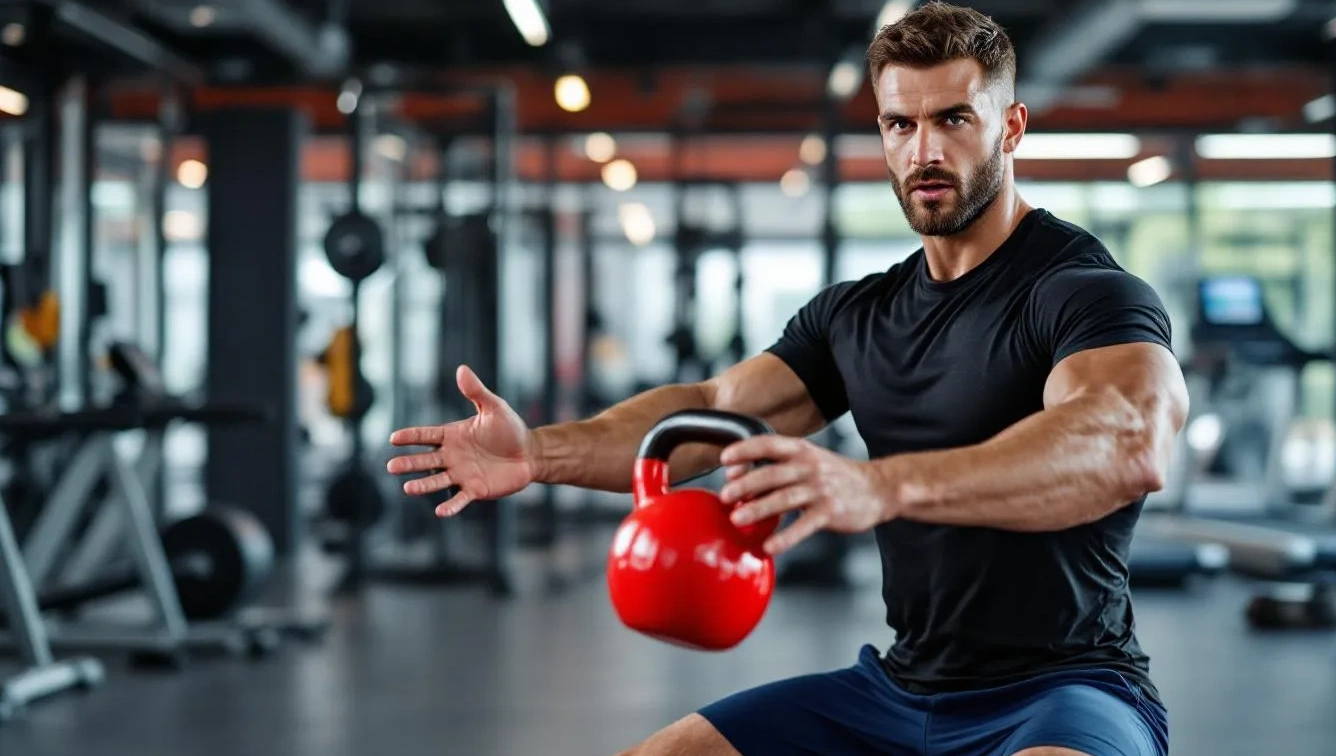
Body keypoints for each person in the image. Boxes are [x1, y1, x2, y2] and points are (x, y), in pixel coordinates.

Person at [386, 3, 1188, 755]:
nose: (924, 152)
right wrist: (538, 453)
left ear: (1010, 127)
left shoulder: (1083, 293)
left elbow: (1125, 441)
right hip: (900, 687)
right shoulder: (858, 315)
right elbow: (709, 410)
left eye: (953, 119)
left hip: (1067, 687)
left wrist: (880, 486)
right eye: (900, 124)